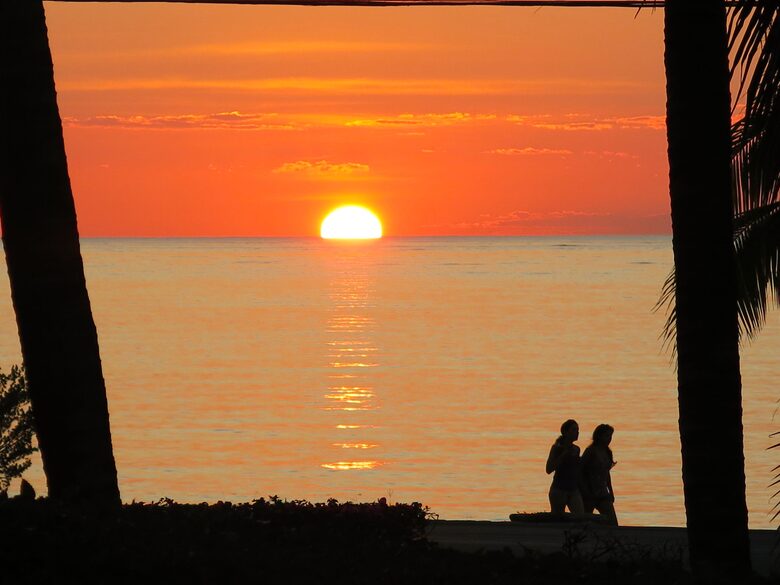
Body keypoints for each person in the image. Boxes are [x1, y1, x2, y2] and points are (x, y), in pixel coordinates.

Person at [580, 424, 618, 526]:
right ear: (599, 436)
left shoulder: (607, 452)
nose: (609, 439)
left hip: (603, 492)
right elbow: (580, 471)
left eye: (610, 436)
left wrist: (611, 491)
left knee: (612, 522)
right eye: (606, 436)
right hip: (589, 492)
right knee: (585, 522)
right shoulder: (591, 451)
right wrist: (585, 490)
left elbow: (607, 473)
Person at [545, 419, 584, 515]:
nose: (577, 433)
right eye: (574, 430)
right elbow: (549, 469)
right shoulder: (557, 448)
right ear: (565, 432)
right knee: (558, 518)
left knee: (580, 515)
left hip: (573, 489)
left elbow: (577, 470)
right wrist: (563, 455)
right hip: (559, 489)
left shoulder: (576, 449)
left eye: (578, 430)